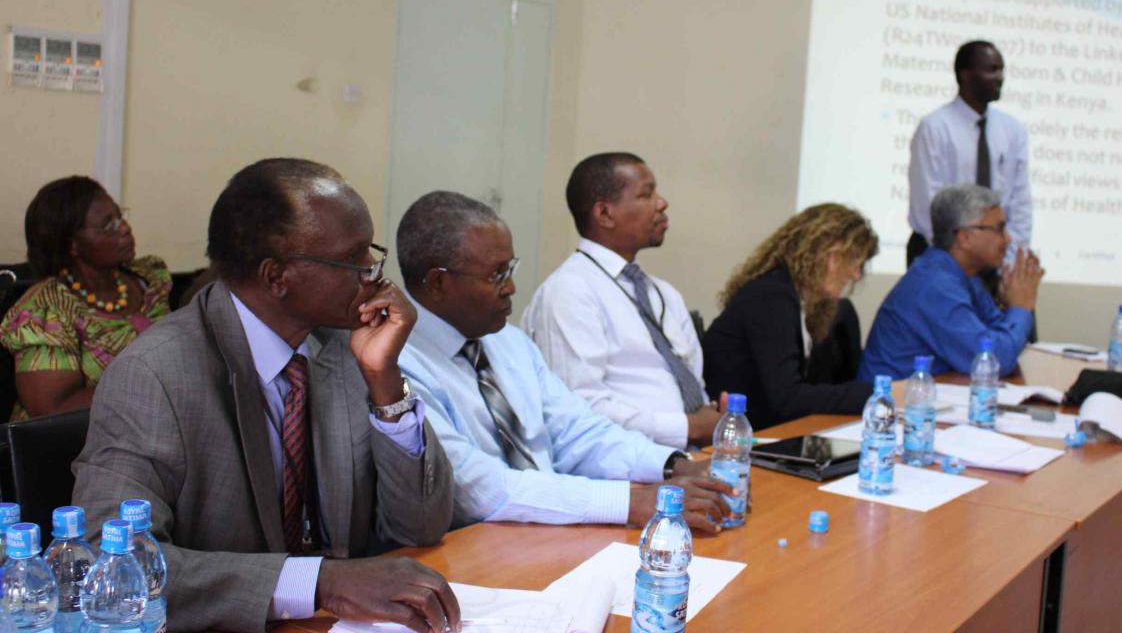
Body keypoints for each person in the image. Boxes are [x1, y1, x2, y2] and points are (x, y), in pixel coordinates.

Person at [72, 159, 460, 633]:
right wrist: (318, 582)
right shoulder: (156, 375)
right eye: (353, 259)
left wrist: (385, 380)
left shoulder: (348, 348)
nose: (374, 275)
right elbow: (111, 563)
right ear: (276, 277)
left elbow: (421, 526)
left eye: (371, 251)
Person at [395, 191, 734, 534]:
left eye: (510, 269)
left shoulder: (507, 341)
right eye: (496, 275)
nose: (511, 287)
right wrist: (630, 501)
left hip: (553, 525)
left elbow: (578, 430)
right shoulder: (398, 366)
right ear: (437, 283)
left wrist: (672, 465)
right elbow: (475, 487)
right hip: (476, 542)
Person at [522, 153, 723, 450]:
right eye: (646, 194)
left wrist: (709, 415)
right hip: (626, 465)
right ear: (605, 214)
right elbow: (579, 409)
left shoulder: (664, 293)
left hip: (695, 455)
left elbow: (692, 379)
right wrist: (689, 428)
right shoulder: (569, 291)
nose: (662, 203)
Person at [1, 176, 171, 420]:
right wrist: (152, 388)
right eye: (108, 225)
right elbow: (52, 413)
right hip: (81, 440)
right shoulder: (46, 310)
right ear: (72, 245)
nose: (124, 228)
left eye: (120, 216)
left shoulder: (149, 280)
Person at [702, 204, 880, 430]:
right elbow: (788, 399)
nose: (856, 275)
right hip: (743, 436)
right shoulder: (772, 297)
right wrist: (875, 394)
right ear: (831, 255)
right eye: (855, 262)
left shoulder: (794, 297)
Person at [859, 184, 1043, 380]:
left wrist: (1014, 306)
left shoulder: (963, 274)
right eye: (999, 229)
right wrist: (1021, 307)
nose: (1008, 238)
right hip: (895, 397)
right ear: (965, 237)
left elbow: (998, 339)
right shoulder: (934, 286)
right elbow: (994, 362)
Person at [907, 41, 1031, 268]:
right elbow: (927, 205)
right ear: (965, 75)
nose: (1000, 77)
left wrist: (1008, 261)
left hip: (995, 258)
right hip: (940, 257)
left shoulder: (1012, 130)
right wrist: (960, 260)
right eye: (992, 69)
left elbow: (1019, 203)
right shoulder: (935, 127)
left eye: (1001, 70)